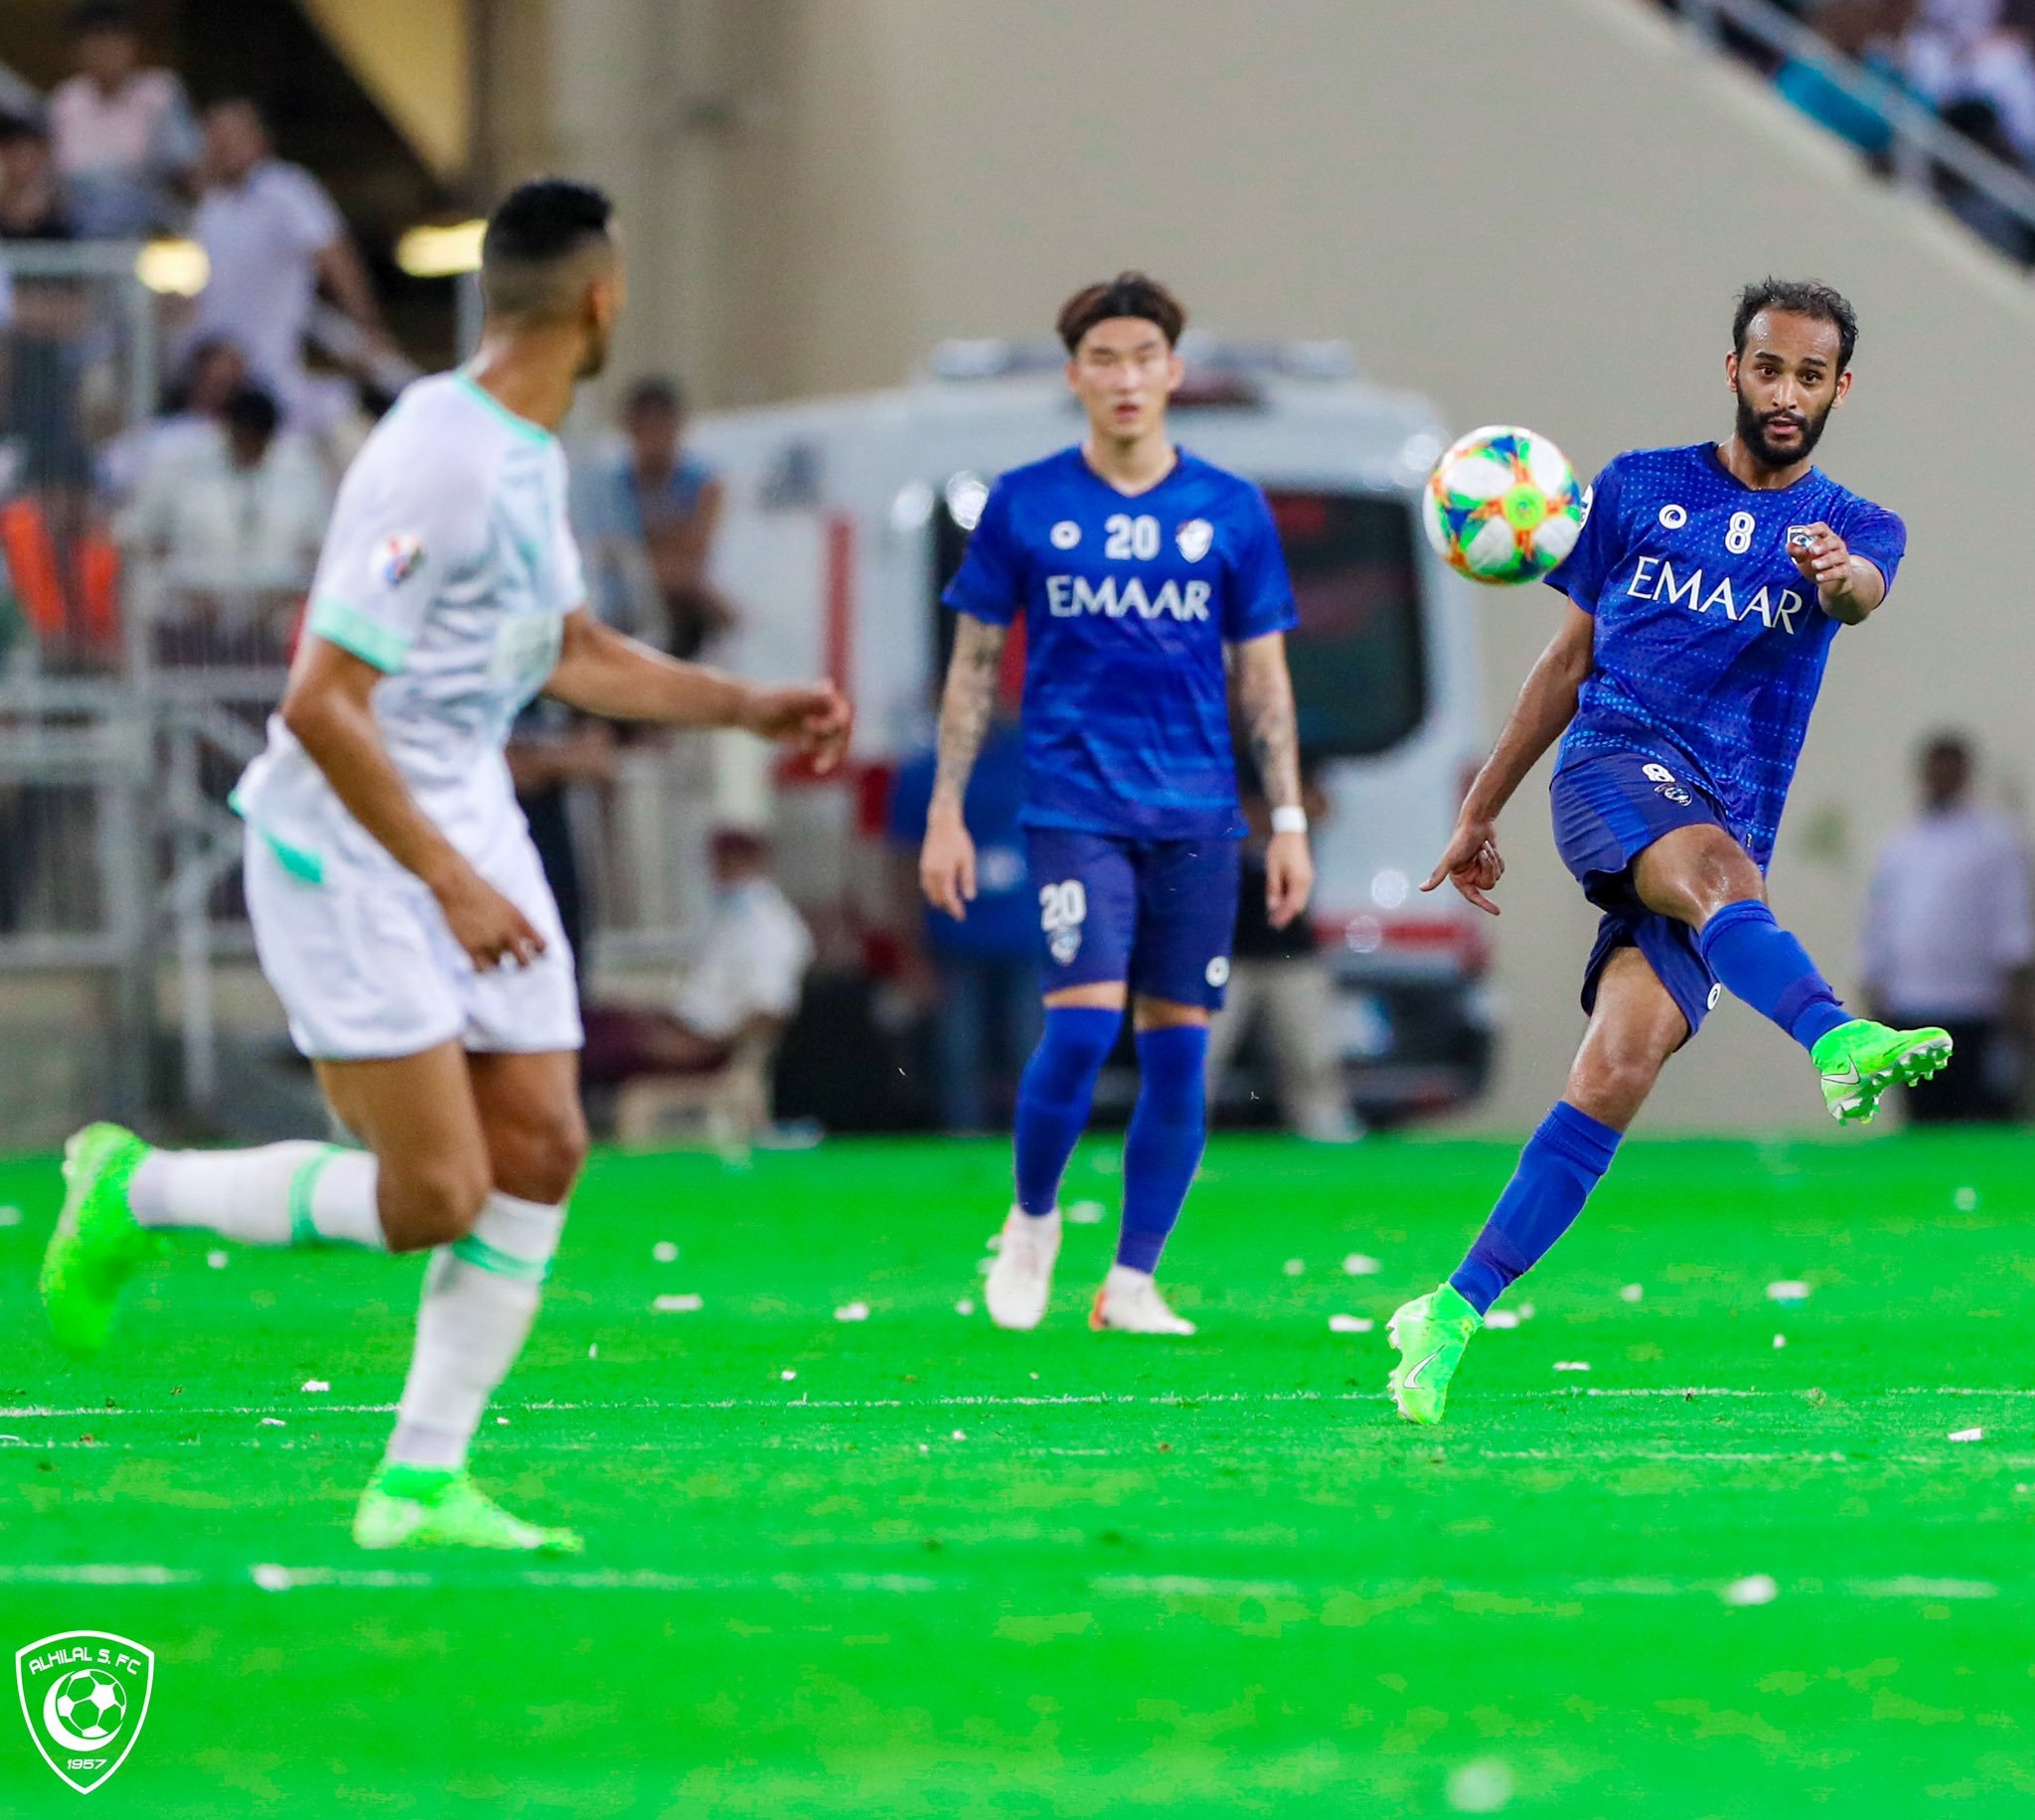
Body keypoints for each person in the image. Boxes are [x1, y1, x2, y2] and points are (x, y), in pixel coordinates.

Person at [41, 178, 852, 1554]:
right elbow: (319, 700)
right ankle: (137, 1190)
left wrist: (742, 702)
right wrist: (449, 882)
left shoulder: (528, 454)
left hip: (461, 817)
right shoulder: (441, 456)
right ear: (602, 300)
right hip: (349, 848)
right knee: (432, 1197)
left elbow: (574, 652)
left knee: (542, 1147)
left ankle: (419, 1482)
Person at [1388, 278, 1950, 1426]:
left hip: (1720, 821)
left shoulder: (1857, 526)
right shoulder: (1637, 487)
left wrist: (1834, 576)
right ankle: (1834, 1036)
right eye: (1767, 366)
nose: (1784, 391)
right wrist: (1479, 806)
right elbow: (1563, 664)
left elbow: (1861, 594)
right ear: (1732, 368)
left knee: (1618, 1063)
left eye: (1808, 375)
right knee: (1720, 879)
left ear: (1838, 388)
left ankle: (1449, 1306)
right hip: (1610, 772)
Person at [922, 272, 1313, 1336]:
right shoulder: (1026, 501)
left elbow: (1262, 678)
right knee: (1085, 1027)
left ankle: (1131, 1279)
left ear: (1173, 372)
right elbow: (971, 665)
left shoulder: (1228, 509)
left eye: (1145, 356)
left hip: (1197, 817)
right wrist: (946, 809)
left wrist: (1284, 822)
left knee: (1180, 1049)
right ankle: (1032, 1218)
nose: (1127, 377)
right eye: (1105, 358)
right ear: (1075, 376)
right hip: (1074, 807)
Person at [1861, 733, 2035, 1120]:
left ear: (1964, 773)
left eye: (1949, 767)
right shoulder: (1899, 845)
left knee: (1981, 1119)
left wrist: (2019, 1001)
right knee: (1924, 1120)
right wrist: (1874, 996)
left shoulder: (1994, 840)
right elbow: (1879, 927)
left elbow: (2013, 926)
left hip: (1976, 1008)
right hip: (1911, 1008)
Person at [188, 98, 388, 427]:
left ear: (259, 138)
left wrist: (367, 328)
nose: (223, 145)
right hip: (217, 376)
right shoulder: (211, 207)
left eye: (233, 135)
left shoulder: (287, 189)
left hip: (275, 374)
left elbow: (334, 258)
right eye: (215, 136)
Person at [888, 716, 1039, 1133]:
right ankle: (964, 1146)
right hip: (954, 939)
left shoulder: (1033, 761)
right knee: (958, 1056)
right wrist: (911, 947)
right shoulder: (923, 773)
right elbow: (902, 863)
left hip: (1024, 939)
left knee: (1029, 1052)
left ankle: (1036, 1149)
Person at [116, 381, 331, 661]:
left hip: (270, 628)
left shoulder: (299, 472)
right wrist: (185, 587)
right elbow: (138, 533)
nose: (249, 448)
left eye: (258, 441)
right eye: (243, 437)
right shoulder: (184, 468)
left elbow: (318, 548)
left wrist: (280, 599)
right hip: (191, 623)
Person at [1207, 774, 1361, 1143]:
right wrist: (1278, 820)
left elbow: (1321, 803)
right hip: (1221, 944)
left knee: (1313, 1055)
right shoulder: (1214, 751)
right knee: (1199, 1056)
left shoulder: (1291, 756)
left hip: (1291, 943)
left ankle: (1326, 1133)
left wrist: (1254, 822)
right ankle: (1177, 1137)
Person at [46, 1, 200, 239]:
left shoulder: (159, 92)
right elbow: (52, 179)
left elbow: (188, 168)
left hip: (151, 236)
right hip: (80, 238)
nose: (106, 51)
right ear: (78, 51)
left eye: (115, 42)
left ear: (133, 46)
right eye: (96, 43)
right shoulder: (65, 102)